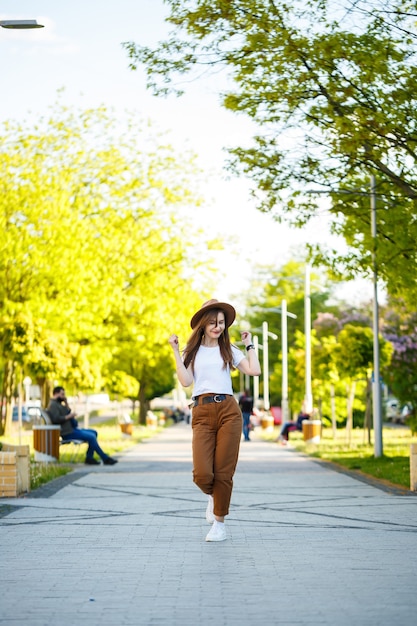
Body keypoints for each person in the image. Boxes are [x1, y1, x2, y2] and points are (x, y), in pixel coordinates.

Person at [168, 299, 261, 542]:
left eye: (220, 322)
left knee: (223, 472)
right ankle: (213, 496)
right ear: (202, 324)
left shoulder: (229, 350)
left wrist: (250, 345)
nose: (217, 327)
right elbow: (186, 381)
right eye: (212, 322)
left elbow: (254, 370)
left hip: (229, 411)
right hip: (201, 411)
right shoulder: (193, 351)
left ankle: (219, 523)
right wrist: (176, 352)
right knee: (201, 474)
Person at [47, 386, 118, 465]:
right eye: (62, 394)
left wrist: (66, 403)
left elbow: (67, 411)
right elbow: (56, 419)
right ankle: (105, 458)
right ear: (56, 393)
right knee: (91, 437)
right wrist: (68, 417)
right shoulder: (53, 405)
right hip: (67, 432)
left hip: (73, 429)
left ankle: (89, 458)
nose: (64, 396)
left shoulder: (59, 403)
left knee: (94, 432)